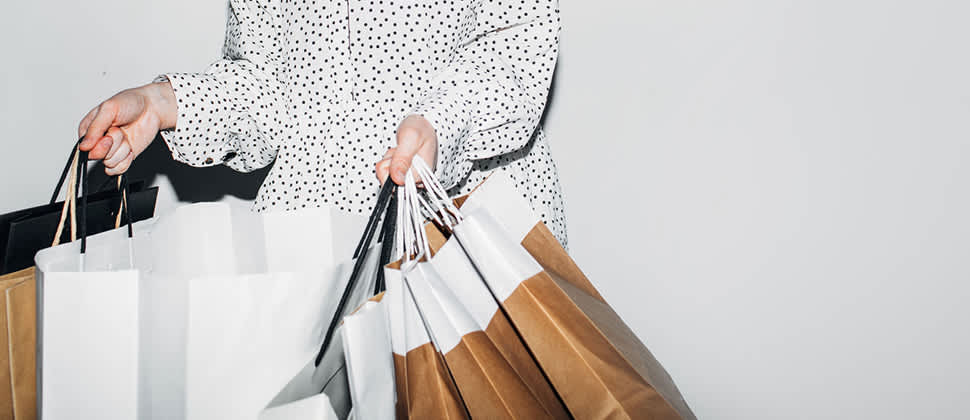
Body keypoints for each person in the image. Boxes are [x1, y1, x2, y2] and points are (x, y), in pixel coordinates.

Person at [77, 0, 567, 246]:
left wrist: (441, 123)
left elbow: (513, 46)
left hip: (461, 217)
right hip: (315, 232)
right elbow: (266, 83)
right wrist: (165, 102)